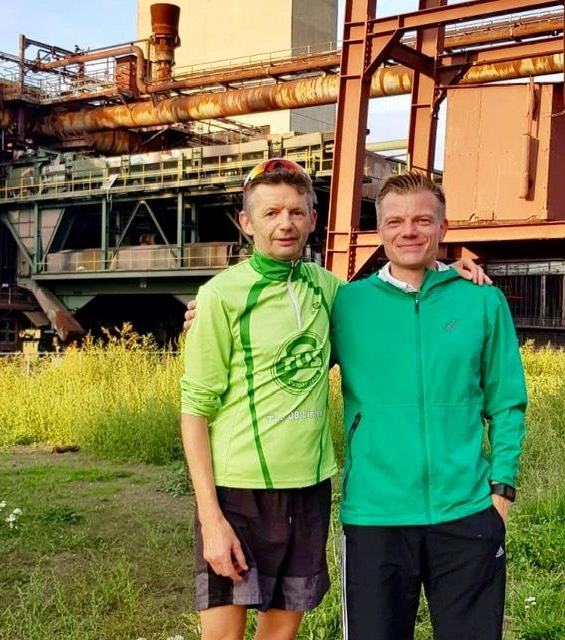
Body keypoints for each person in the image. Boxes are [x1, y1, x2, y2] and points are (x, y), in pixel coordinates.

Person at [180, 159, 487, 640]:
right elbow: (195, 410)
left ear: (313, 218)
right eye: (271, 212)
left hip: (307, 488)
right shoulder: (219, 296)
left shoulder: (332, 293)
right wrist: (210, 517)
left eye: (297, 212)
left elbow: (393, 294)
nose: (285, 223)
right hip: (236, 490)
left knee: (279, 634)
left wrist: (447, 270)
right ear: (246, 222)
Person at [331, 172, 527, 640]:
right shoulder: (346, 305)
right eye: (395, 221)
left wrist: (500, 491)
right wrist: (214, 314)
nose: (409, 231)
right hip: (376, 514)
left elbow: (507, 402)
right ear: (379, 231)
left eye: (423, 219)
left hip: (466, 510)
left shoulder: (481, 300)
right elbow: (281, 354)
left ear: (443, 227)